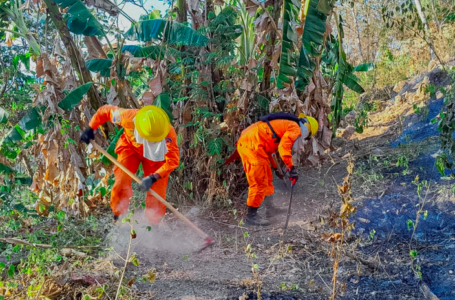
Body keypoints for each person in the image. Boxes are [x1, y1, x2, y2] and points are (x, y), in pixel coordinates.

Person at [80, 105, 179, 224]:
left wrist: (154, 177)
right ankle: (117, 217)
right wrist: (91, 128)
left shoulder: (168, 133)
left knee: (156, 192)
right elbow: (105, 112)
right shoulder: (127, 117)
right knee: (121, 182)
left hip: (156, 156)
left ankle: (153, 226)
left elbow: (172, 161)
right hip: (130, 148)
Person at [226, 113, 318, 226]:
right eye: (307, 138)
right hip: (252, 146)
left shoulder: (287, 125)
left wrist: (276, 169)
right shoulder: (295, 128)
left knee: (267, 177)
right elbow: (283, 148)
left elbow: (271, 150)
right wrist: (291, 168)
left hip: (254, 144)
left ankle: (271, 210)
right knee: (258, 182)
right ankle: (251, 216)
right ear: (307, 130)